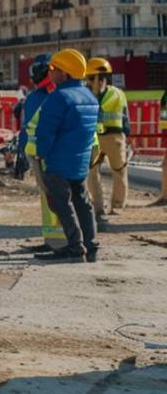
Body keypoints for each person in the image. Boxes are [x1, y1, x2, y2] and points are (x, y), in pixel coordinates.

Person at [34, 49, 100, 263]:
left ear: (65, 73)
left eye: (53, 68)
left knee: (63, 204)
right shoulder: (90, 97)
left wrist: (41, 154)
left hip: (58, 161)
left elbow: (46, 131)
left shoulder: (59, 98)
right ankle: (91, 246)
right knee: (82, 202)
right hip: (79, 161)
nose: (49, 72)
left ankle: (75, 247)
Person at [17, 54, 65, 252]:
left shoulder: (36, 97)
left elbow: (28, 129)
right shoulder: (67, 93)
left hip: (42, 156)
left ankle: (56, 242)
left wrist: (21, 153)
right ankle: (67, 240)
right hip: (67, 154)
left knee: (50, 198)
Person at [83, 58, 129, 229]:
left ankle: (117, 205)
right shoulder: (85, 94)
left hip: (114, 137)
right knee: (92, 174)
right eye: (93, 78)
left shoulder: (116, 93)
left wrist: (127, 135)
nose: (97, 81)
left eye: (100, 77)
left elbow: (124, 115)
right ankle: (98, 207)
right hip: (94, 137)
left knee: (119, 170)